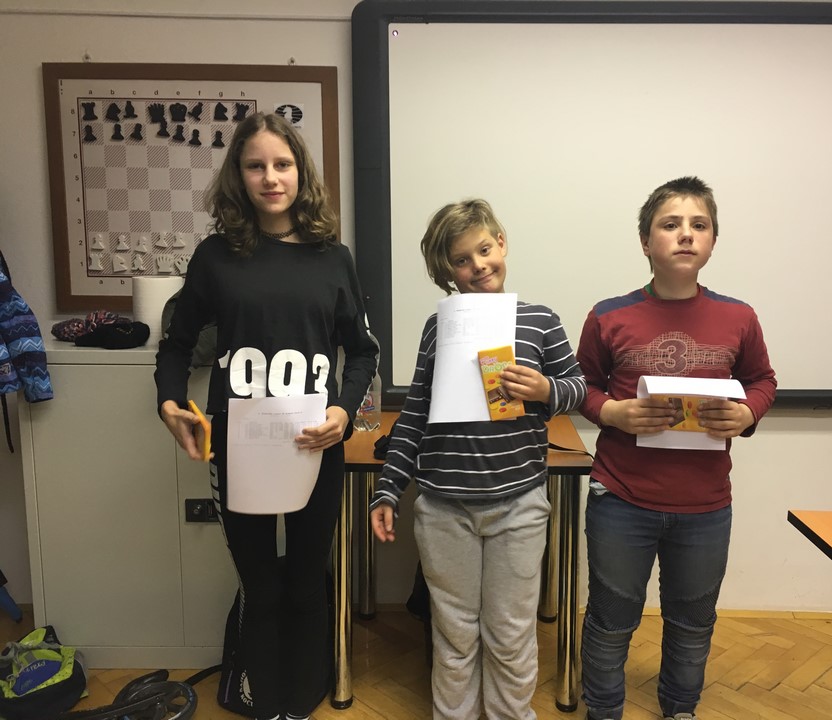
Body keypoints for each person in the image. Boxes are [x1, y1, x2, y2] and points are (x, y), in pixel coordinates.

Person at [154, 111, 378, 720]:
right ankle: (264, 703)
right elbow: (176, 344)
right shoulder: (216, 256)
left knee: (306, 583)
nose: (271, 178)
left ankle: (297, 704)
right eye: (256, 166)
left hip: (316, 444)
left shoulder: (334, 258)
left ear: (301, 172)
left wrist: (343, 410)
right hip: (239, 446)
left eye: (283, 164)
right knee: (260, 585)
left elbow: (361, 351)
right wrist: (170, 403)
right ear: (239, 175)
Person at [369, 199, 586, 720]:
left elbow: (579, 389)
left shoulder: (539, 320)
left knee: (510, 632)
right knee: (454, 631)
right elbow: (415, 412)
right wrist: (387, 488)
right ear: (448, 272)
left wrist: (544, 389)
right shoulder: (437, 327)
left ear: (501, 243)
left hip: (519, 504)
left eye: (484, 250)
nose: (478, 266)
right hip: (444, 507)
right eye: (461, 260)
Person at [576, 176, 777, 720]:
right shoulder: (608, 315)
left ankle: (680, 708)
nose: (686, 234)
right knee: (611, 619)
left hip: (705, 505)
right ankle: (603, 710)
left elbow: (763, 381)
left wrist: (746, 413)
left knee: (692, 622)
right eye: (671, 224)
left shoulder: (739, 317)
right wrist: (612, 412)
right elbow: (582, 387)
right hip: (621, 497)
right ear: (646, 241)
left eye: (699, 225)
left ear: (712, 241)